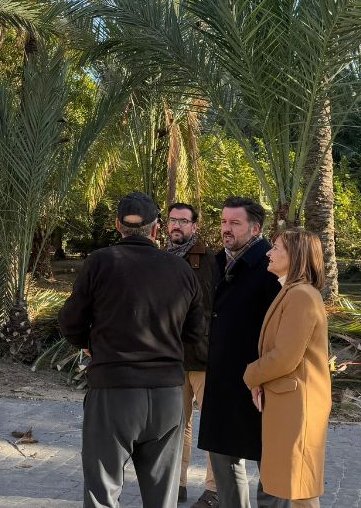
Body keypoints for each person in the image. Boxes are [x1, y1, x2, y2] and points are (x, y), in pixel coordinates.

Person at [59, 191, 210, 508]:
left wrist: (91, 344)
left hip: (114, 392)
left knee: (102, 494)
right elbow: (196, 332)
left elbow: (71, 322)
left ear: (118, 225)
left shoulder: (100, 262)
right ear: (156, 228)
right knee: (163, 498)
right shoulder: (181, 270)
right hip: (167, 396)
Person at [197, 197, 280, 508]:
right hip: (221, 377)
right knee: (223, 460)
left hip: (257, 382)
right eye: (223, 222)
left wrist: (261, 375)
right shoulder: (218, 261)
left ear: (255, 228)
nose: (226, 229)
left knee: (269, 464)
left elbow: (278, 332)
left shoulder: (271, 266)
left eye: (234, 223)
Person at [243, 229, 331, 508]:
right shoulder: (292, 292)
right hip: (290, 402)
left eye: (277, 248)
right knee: (296, 486)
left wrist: (251, 375)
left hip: (298, 405)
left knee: (300, 487)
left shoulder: (301, 296)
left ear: (296, 256)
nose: (269, 253)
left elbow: (285, 357)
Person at [165, 203, 217, 508]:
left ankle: (214, 488)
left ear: (194, 226)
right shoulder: (160, 258)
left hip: (203, 355)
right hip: (172, 355)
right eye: (173, 220)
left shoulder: (209, 259)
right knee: (176, 423)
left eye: (183, 221)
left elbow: (213, 307)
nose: (177, 225)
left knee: (212, 423)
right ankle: (178, 483)